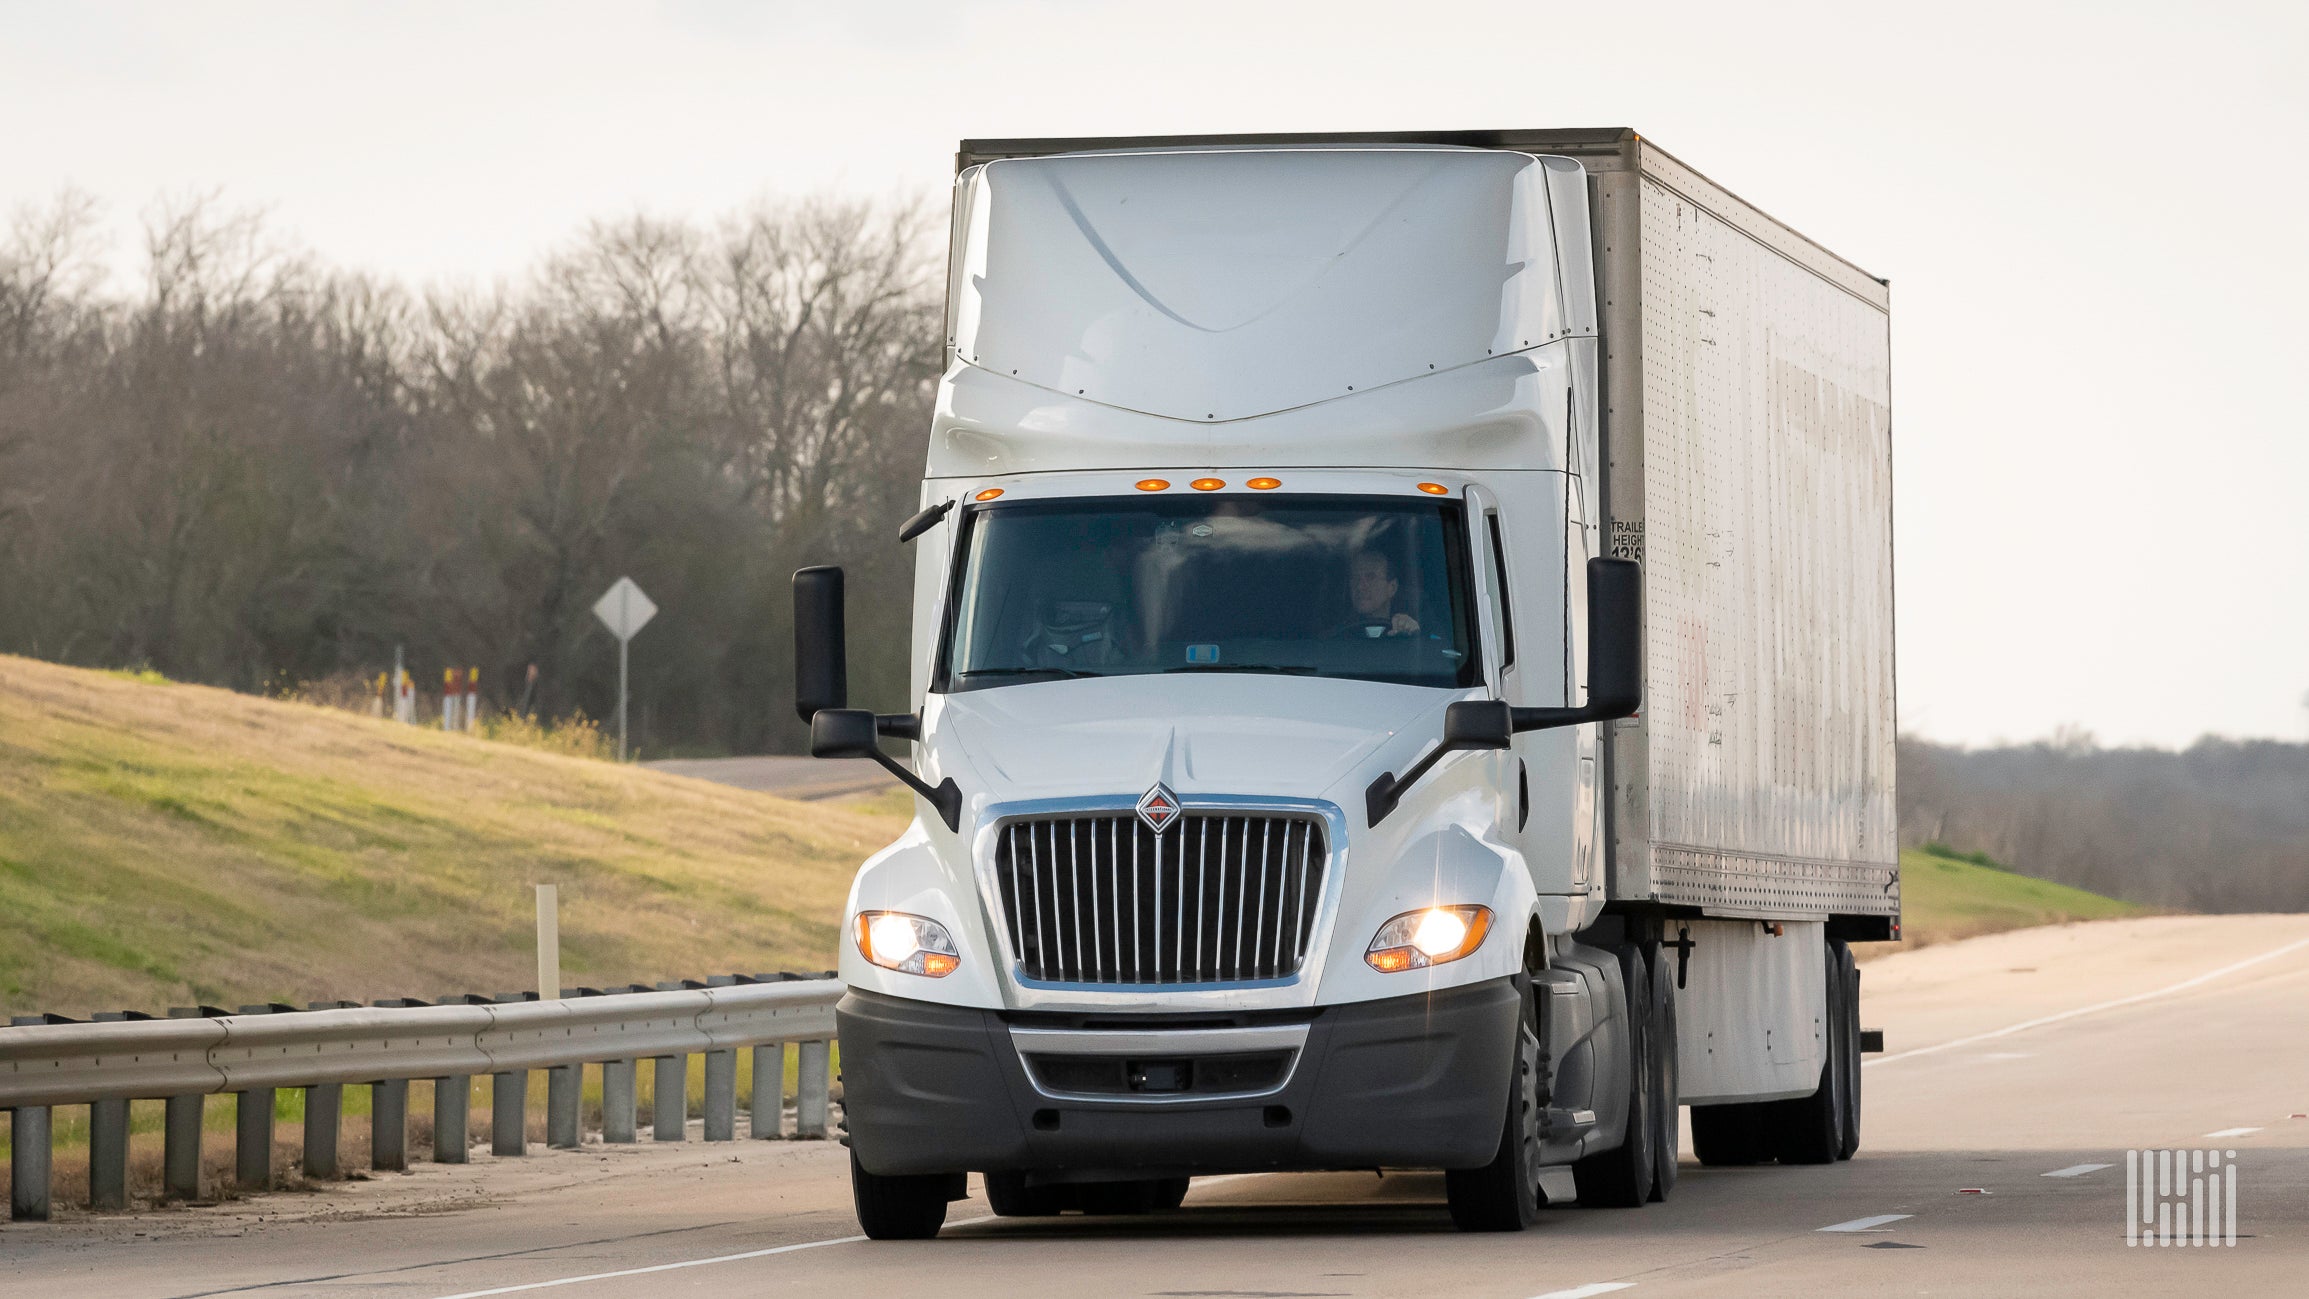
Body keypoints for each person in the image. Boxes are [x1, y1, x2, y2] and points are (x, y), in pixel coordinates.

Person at [1333, 549, 1420, 638]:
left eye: (1371, 577)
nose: (1360, 586)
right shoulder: (1335, 636)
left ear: (1392, 587)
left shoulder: (1408, 631)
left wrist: (1413, 634)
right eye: (1355, 578)